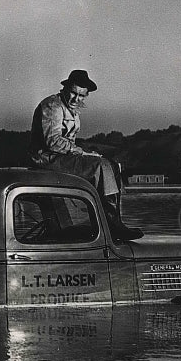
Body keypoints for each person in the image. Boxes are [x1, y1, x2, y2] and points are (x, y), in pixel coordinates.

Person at [29, 70, 143, 241]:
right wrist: (82, 153)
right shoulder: (53, 106)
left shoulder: (71, 110)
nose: (77, 99)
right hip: (47, 159)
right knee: (100, 166)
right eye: (73, 93)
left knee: (111, 164)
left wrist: (88, 154)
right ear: (65, 88)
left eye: (82, 96)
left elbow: (67, 143)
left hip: (61, 157)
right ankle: (111, 226)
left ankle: (113, 222)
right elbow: (52, 141)